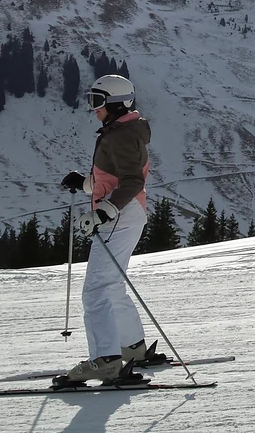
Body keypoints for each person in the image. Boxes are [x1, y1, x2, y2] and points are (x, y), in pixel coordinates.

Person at [59, 74, 154, 383]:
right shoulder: (121, 131)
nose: (93, 108)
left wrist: (104, 212)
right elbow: (113, 179)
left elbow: (132, 181)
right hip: (128, 212)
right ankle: (132, 348)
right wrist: (85, 184)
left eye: (97, 102)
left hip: (120, 215)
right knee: (111, 285)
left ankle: (106, 360)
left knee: (97, 290)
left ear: (115, 104)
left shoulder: (121, 136)